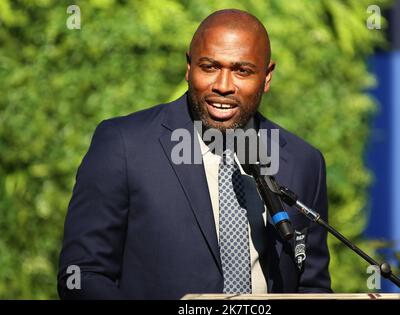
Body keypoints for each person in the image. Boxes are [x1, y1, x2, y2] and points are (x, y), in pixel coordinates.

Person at [58, 9, 331, 299]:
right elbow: (82, 275)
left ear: (266, 76)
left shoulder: (304, 163)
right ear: (189, 67)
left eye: (242, 71)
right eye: (210, 67)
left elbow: (312, 288)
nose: (223, 86)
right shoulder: (123, 145)